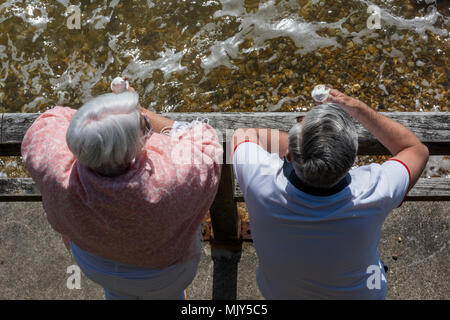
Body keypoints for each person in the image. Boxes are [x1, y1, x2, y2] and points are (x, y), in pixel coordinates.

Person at [21, 86, 223, 300]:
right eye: (144, 127)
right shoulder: (172, 180)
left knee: (117, 294)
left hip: (97, 264)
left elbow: (52, 118)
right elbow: (206, 140)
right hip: (162, 276)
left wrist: (104, 120)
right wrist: (142, 112)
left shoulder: (53, 167)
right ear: (139, 145)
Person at [231, 89, 429, 299]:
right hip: (363, 294)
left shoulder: (259, 181)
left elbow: (243, 135)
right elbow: (416, 149)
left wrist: (304, 144)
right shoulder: (374, 191)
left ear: (288, 154)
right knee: (372, 272)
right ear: (351, 160)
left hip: (280, 293)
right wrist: (357, 109)